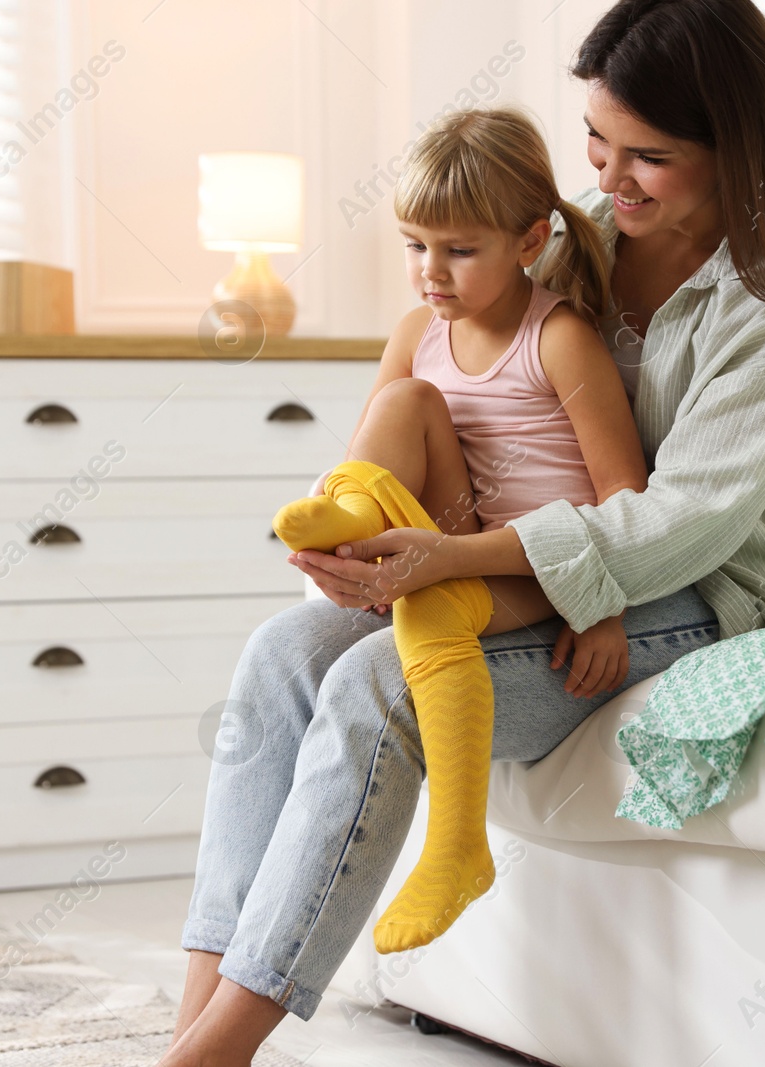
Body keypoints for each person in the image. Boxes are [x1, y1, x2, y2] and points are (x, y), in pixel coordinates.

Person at [160, 1, 765, 1063]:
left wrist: (461, 560)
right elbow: (451, 373)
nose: (611, 176)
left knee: (380, 688)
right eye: (597, 138)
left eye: (651, 157)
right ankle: (194, 1017)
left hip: (705, 597)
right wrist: (385, 525)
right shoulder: (568, 237)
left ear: (737, 151)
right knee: (281, 653)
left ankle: (217, 1052)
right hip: (519, 561)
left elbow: (679, 522)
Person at [269, 104, 643, 957]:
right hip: (441, 535)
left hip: (532, 569)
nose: (430, 271)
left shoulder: (561, 338)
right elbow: (387, 440)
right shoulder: (417, 332)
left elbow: (625, 493)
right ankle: (352, 520)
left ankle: (456, 845)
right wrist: (368, 509)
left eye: (458, 249)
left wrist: (604, 605)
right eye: (414, 245)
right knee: (404, 401)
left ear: (529, 240)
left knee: (434, 608)